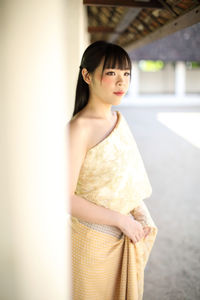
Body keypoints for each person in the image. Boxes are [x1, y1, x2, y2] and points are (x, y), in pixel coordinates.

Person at [68, 40, 158, 300]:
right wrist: (121, 221)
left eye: (126, 74)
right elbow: (66, 198)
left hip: (124, 235)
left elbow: (127, 180)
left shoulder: (118, 118)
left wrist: (134, 219)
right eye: (111, 73)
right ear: (87, 75)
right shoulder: (79, 129)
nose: (122, 82)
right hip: (92, 244)